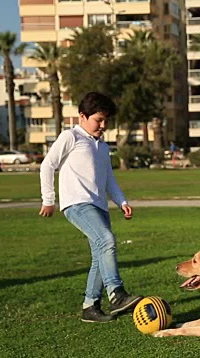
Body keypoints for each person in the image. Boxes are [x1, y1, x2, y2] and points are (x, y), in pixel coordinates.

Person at [39, 92, 142, 323]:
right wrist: (49, 199)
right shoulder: (70, 136)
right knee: (106, 241)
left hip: (99, 206)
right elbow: (47, 165)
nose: (103, 125)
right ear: (82, 116)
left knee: (99, 254)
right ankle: (116, 294)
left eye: (106, 121)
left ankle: (90, 307)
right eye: (99, 120)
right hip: (76, 203)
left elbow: (109, 180)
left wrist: (122, 201)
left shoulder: (102, 146)